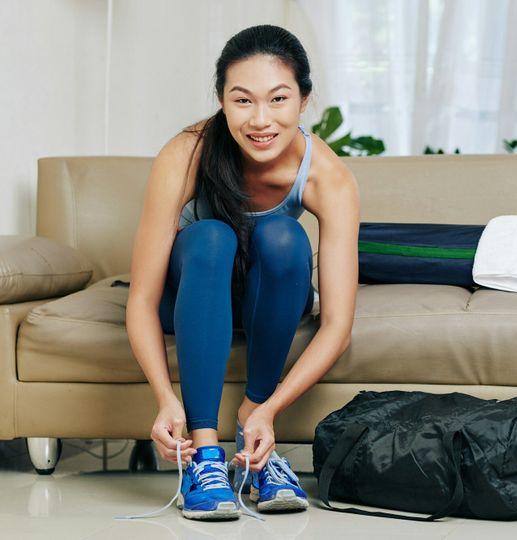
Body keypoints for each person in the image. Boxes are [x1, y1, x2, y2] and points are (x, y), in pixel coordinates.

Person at [126, 24, 359, 520]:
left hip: (266, 297)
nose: (261, 120)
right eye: (242, 100)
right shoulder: (186, 152)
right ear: (221, 101)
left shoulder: (327, 176)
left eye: (278, 99)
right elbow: (142, 300)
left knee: (284, 236)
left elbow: (338, 325)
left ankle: (256, 444)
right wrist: (166, 400)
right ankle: (205, 456)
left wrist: (268, 409)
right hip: (193, 293)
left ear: (304, 100)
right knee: (212, 237)